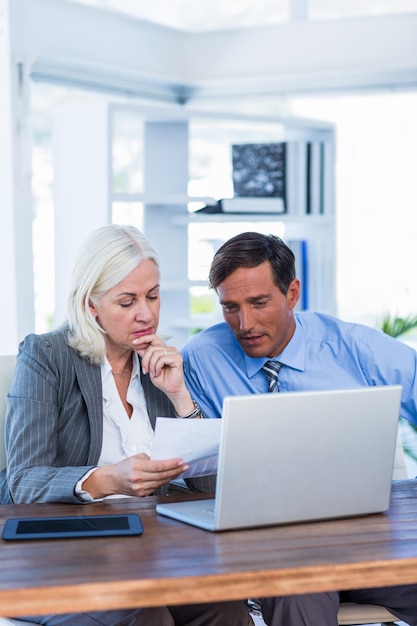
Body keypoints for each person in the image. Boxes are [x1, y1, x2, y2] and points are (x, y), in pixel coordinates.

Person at [1, 224, 249, 626]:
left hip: (148, 549)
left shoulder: (159, 364)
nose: (146, 313)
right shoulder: (46, 357)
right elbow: (24, 482)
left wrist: (180, 397)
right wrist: (110, 479)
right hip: (61, 554)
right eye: (127, 301)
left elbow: (211, 488)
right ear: (90, 305)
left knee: (228, 609)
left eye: (153, 296)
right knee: (146, 617)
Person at [181, 230, 417, 626]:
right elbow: (202, 473)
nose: (245, 323)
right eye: (230, 307)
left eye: (259, 303)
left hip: (366, 538)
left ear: (292, 293)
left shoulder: (357, 349)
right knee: (297, 587)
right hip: (274, 547)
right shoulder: (203, 359)